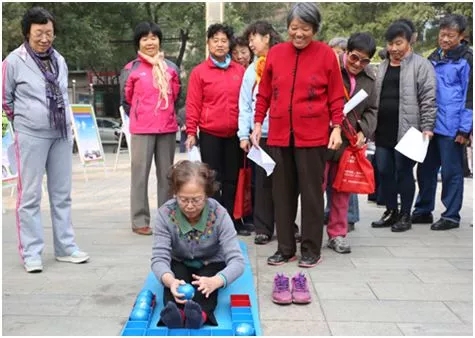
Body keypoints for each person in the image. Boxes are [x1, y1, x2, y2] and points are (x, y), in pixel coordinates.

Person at [251, 3, 344, 268]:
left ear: (314, 29)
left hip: (313, 137)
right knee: (282, 194)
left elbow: (336, 96)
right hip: (280, 135)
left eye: (305, 28)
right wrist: (258, 123)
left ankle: (311, 248)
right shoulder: (277, 54)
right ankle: (285, 247)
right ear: (287, 28)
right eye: (294, 28)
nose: (299, 34)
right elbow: (265, 93)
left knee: (312, 194)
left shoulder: (326, 55)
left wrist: (336, 127)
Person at [2, 7, 89, 273]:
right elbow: (6, 100)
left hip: (60, 134)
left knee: (62, 194)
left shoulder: (59, 60)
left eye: (49, 33)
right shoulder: (13, 61)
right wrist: (27, 121)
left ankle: (65, 247)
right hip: (31, 135)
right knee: (29, 195)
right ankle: (31, 252)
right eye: (39, 33)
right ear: (27, 33)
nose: (44, 38)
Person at [151, 160, 245, 329]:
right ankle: (175, 314)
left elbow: (237, 262)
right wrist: (170, 281)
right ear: (174, 194)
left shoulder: (219, 215)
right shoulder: (165, 214)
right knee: (175, 280)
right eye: (183, 199)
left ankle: (200, 315)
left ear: (207, 195)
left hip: (211, 262)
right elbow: (159, 258)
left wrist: (216, 281)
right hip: (179, 260)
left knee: (205, 287)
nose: (189, 206)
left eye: (196, 200)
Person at [237, 20, 301, 245]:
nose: (251, 44)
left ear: (267, 37)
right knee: (263, 183)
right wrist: (243, 134)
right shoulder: (251, 71)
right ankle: (263, 228)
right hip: (261, 134)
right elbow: (245, 104)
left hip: (285, 132)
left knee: (288, 182)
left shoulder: (286, 63)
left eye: (254, 38)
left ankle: (288, 225)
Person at [371, 21, 437, 232]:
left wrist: (427, 126)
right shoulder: (382, 66)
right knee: (383, 170)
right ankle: (391, 211)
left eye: (399, 43)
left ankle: (406, 214)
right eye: (391, 43)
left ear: (409, 42)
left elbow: (428, 98)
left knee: (404, 171)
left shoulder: (421, 65)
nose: (394, 48)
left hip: (409, 130)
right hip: (383, 128)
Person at [185, 23, 250, 236]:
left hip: (235, 135)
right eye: (216, 40)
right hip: (210, 133)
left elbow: (247, 102)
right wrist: (191, 132)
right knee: (213, 179)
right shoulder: (199, 72)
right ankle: (213, 222)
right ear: (209, 43)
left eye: (224, 41)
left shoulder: (240, 71)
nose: (220, 45)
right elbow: (194, 103)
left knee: (233, 179)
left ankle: (233, 219)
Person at [120, 21, 181, 236]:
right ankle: (139, 221)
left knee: (167, 177)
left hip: (167, 128)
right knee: (139, 176)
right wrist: (141, 115)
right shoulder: (131, 69)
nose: (150, 42)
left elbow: (176, 96)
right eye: (145, 38)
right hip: (142, 130)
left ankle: (166, 220)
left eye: (153, 38)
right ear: (138, 42)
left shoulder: (171, 68)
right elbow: (126, 99)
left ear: (159, 41)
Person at [413, 14, 473, 230]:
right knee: (425, 169)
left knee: (451, 172)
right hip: (431, 124)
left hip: (453, 126)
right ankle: (423, 210)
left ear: (461, 36)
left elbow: (470, 96)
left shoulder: (467, 59)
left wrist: (465, 129)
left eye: (451, 36)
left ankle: (451, 215)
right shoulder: (434, 56)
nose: (445, 39)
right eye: (442, 34)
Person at [325, 32, 378, 253]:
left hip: (349, 142)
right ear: (346, 52)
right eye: (354, 57)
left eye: (364, 60)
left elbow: (373, 110)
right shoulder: (330, 69)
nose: (357, 64)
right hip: (323, 138)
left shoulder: (370, 79)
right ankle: (309, 231)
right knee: (313, 187)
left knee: (342, 190)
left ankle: (337, 234)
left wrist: (362, 130)